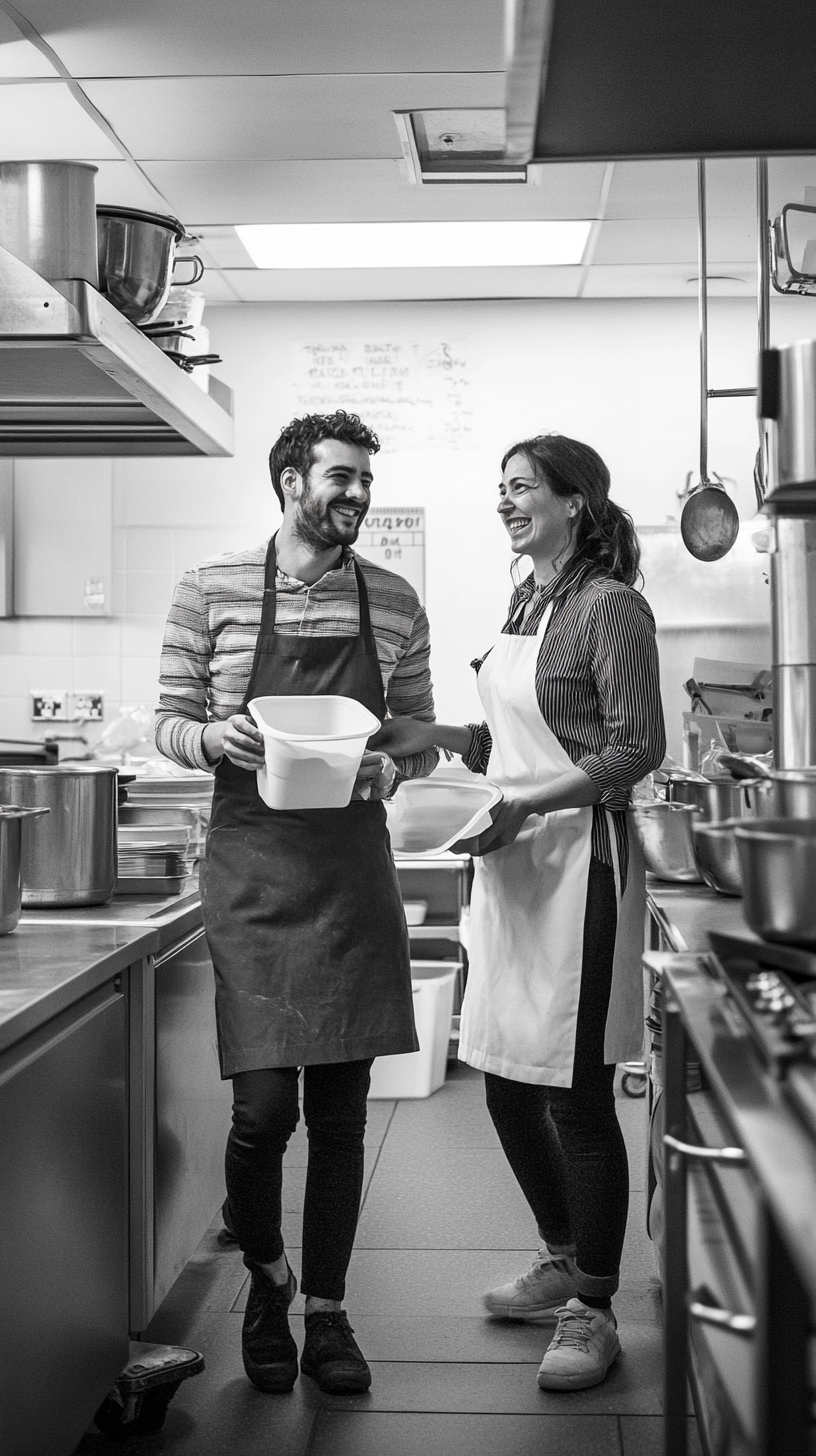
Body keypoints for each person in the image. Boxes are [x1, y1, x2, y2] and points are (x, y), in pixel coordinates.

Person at [371, 432, 665, 1392]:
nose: (505, 503)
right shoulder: (528, 600)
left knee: (575, 1096)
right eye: (500, 489)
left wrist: (524, 806)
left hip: (579, 870)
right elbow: (520, 730)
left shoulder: (612, 606)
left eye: (524, 488)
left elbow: (633, 749)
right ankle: (562, 1255)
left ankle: (596, 1306)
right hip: (513, 870)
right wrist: (447, 735)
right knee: (502, 1077)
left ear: (575, 501)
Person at [156, 410, 437, 1397]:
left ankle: (325, 1308)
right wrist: (212, 741)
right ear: (289, 479)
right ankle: (266, 1279)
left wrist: (389, 769)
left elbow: (415, 734)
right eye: (341, 477)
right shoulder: (210, 589)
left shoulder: (395, 602)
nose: (357, 495)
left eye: (364, 479)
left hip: (352, 873)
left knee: (343, 1114)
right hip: (253, 873)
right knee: (263, 1111)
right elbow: (168, 718)